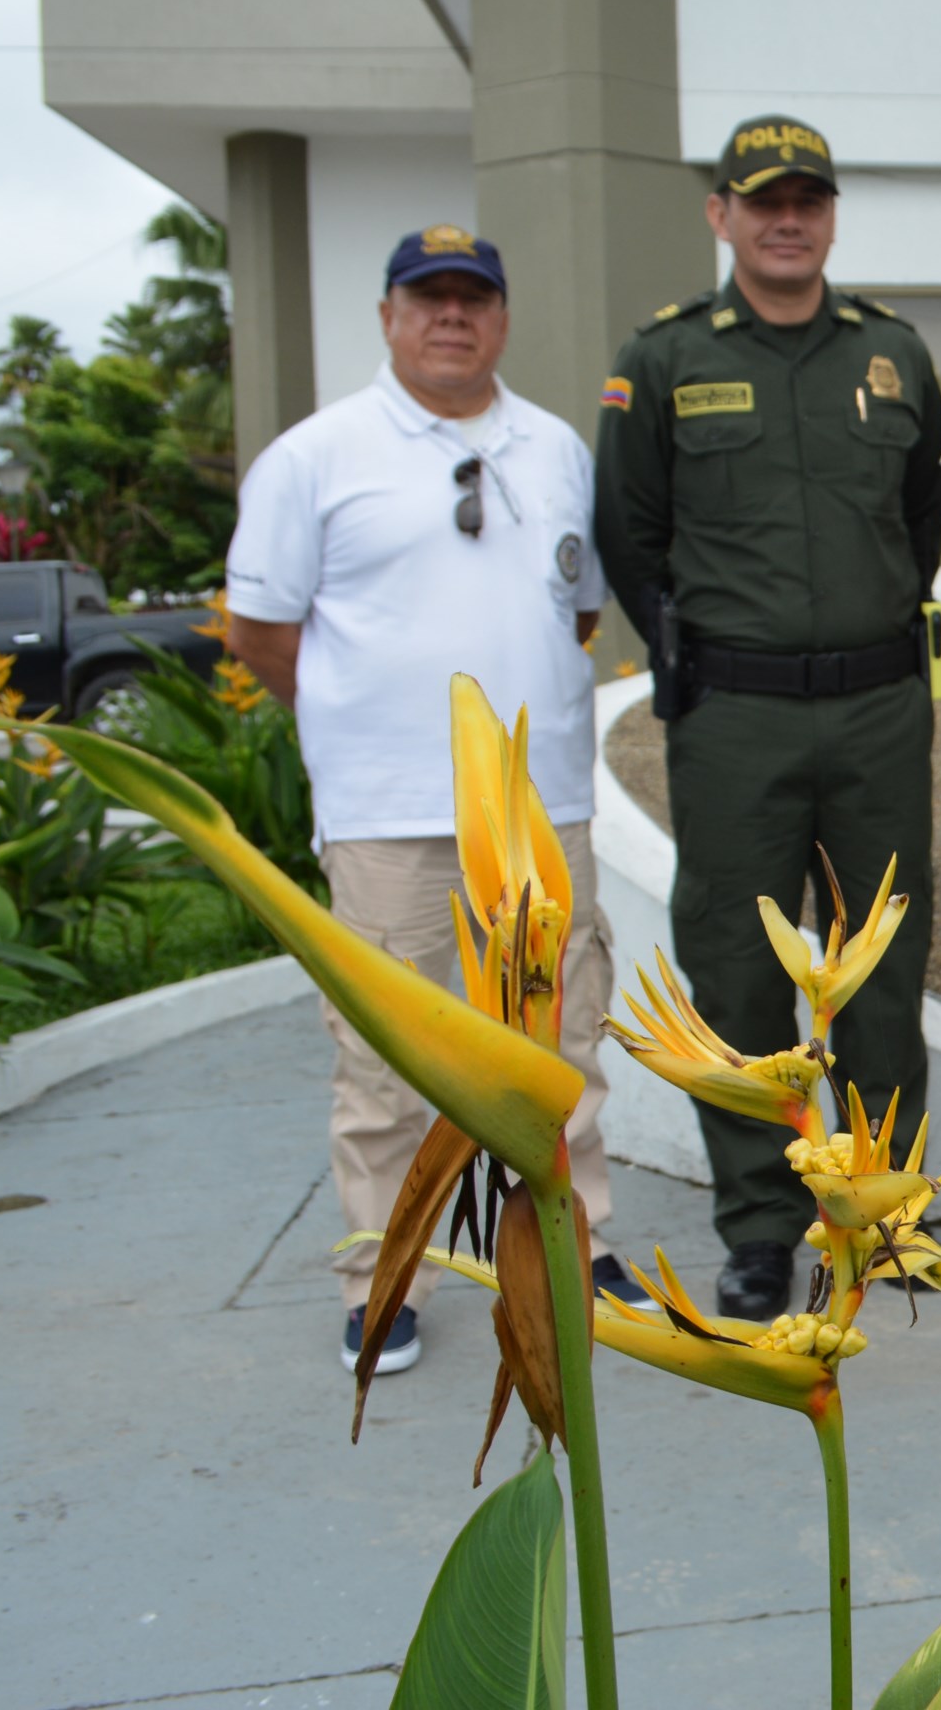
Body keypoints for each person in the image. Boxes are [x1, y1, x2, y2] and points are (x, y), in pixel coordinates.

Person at [226, 225, 636, 1374]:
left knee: (556, 1045)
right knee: (384, 1057)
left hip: (538, 807)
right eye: (428, 298)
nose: (452, 317)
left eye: (473, 298)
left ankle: (572, 1241)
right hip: (387, 814)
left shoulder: (554, 447)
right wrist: (364, 720)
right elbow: (259, 631)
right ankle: (385, 1274)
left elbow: (579, 609)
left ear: (501, 318)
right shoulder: (316, 455)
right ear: (389, 316)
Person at [594, 117, 941, 1319]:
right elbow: (629, 530)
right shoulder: (662, 358)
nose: (786, 220)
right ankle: (760, 1226)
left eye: (807, 200)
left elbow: (919, 515)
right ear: (722, 216)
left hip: (878, 710)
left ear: (831, 216)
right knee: (739, 976)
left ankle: (881, 1212)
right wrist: (694, 653)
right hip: (735, 716)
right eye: (763, 201)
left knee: (882, 968)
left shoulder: (892, 353)